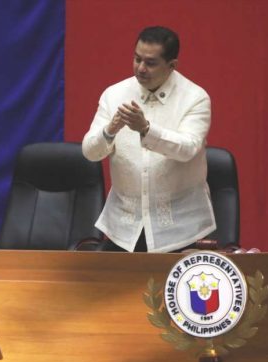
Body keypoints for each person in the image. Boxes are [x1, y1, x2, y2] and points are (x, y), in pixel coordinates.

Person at [82, 26, 215, 252]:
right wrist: (110, 130)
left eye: (150, 63)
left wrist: (145, 129)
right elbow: (90, 152)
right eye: (136, 59)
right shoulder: (114, 94)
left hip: (181, 229)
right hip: (123, 228)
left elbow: (188, 149)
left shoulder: (195, 98)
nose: (140, 68)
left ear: (172, 65)